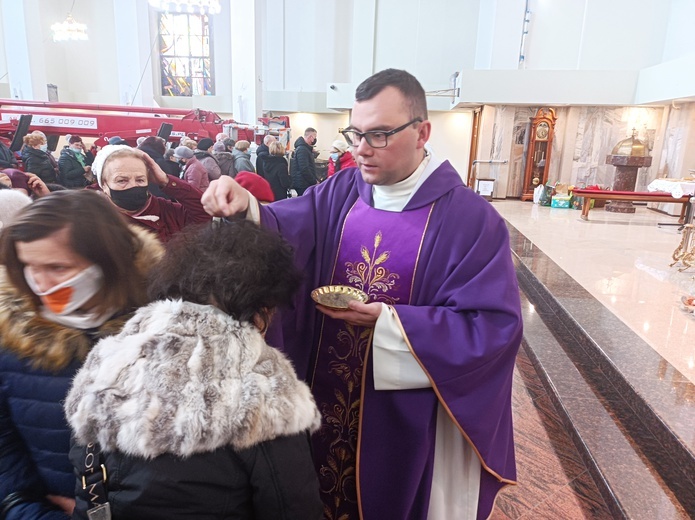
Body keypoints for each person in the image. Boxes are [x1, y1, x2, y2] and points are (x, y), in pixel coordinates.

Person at [201, 68, 523, 520]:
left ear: (422, 132)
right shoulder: (344, 191)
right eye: (355, 133)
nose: (361, 149)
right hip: (324, 394)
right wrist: (246, 204)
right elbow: (285, 226)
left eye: (379, 135)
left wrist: (393, 324)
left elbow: (493, 327)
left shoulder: (470, 221)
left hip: (403, 414)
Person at [65, 221, 323, 520]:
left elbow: (88, 484)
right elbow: (291, 505)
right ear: (263, 310)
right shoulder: (265, 389)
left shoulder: (109, 361)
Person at [0, 190, 163, 520]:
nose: (40, 283)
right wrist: (22, 508)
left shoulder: (166, 328)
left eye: (57, 267)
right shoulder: (9, 339)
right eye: (29, 265)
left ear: (107, 259)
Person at [91, 145, 211, 242]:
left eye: (140, 180)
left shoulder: (166, 211)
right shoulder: (93, 221)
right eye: (122, 180)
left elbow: (205, 214)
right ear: (104, 185)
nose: (133, 186)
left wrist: (166, 181)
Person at [290, 127, 319, 195]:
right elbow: (304, 168)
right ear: (310, 137)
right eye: (314, 137)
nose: (315, 139)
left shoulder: (304, 149)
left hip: (303, 182)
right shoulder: (302, 150)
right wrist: (314, 181)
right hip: (303, 184)